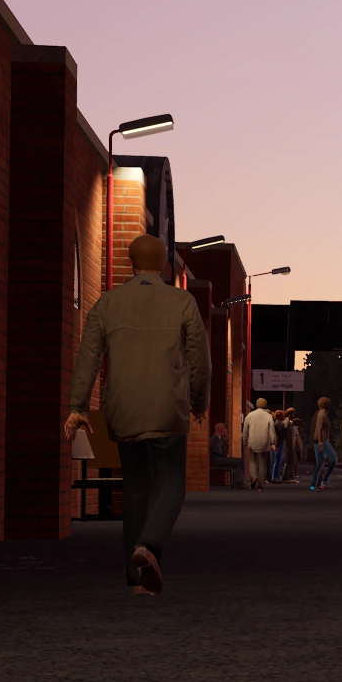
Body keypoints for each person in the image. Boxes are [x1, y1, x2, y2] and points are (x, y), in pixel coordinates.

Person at [63, 234, 206, 595]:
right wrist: (199, 402)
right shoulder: (183, 302)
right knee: (171, 482)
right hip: (168, 410)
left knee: (136, 487)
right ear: (162, 264)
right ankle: (149, 545)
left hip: (123, 410)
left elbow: (88, 358)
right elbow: (199, 359)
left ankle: (135, 578)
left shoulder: (108, 303)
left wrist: (77, 407)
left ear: (131, 263)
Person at [242, 397, 276, 490]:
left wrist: (245, 442)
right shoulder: (268, 416)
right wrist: (273, 442)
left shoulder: (250, 415)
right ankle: (260, 485)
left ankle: (253, 476)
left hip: (253, 441)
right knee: (263, 464)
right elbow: (272, 431)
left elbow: (245, 430)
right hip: (264, 442)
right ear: (265, 405)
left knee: (252, 460)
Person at [309, 396, 339, 490]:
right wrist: (320, 441)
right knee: (334, 459)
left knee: (319, 464)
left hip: (320, 441)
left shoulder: (322, 413)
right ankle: (324, 482)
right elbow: (318, 428)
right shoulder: (322, 414)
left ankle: (313, 485)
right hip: (322, 441)